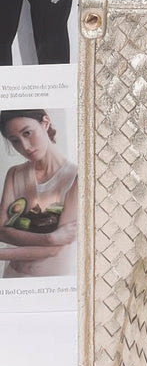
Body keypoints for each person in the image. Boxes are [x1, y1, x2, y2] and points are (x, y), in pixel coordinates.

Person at [0, 109, 77, 278]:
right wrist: (50, 238)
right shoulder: (14, 174)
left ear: (45, 123)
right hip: (12, 277)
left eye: (27, 133)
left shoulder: (76, 178)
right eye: (15, 140)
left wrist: (50, 242)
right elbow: (1, 230)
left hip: (52, 283)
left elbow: (54, 250)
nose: (25, 146)